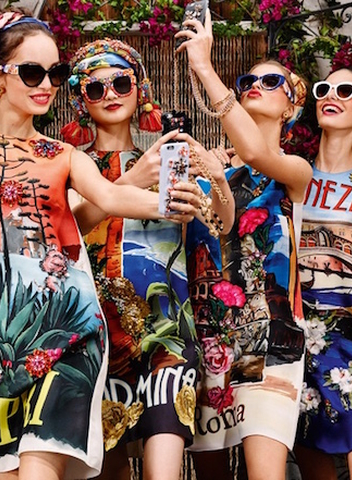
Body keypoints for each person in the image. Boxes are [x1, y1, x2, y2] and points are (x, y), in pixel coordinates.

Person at [0, 7, 196, 480]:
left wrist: (177, 200)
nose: (47, 85)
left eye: (56, 73)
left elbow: (111, 196)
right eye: (32, 72)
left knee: (37, 471)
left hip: (64, 334)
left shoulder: (63, 155)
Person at [64, 39, 234, 480]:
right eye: (95, 87)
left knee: (165, 463)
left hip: (169, 331)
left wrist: (216, 178)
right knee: (109, 469)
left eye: (121, 83)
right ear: (81, 100)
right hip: (96, 335)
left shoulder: (168, 160)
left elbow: (218, 224)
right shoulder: (70, 164)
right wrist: (132, 179)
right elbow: (69, 228)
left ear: (141, 89)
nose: (110, 94)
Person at [176, 11, 312, 480]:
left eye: (271, 81)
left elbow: (256, 153)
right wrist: (213, 176)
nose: (255, 85)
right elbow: (210, 228)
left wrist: (204, 67)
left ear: (292, 106)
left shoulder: (296, 171)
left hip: (272, 338)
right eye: (247, 80)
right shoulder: (208, 170)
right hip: (209, 339)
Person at [293, 66, 352, 480]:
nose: (331, 96)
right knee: (313, 461)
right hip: (296, 342)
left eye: (346, 90)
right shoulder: (291, 173)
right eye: (324, 89)